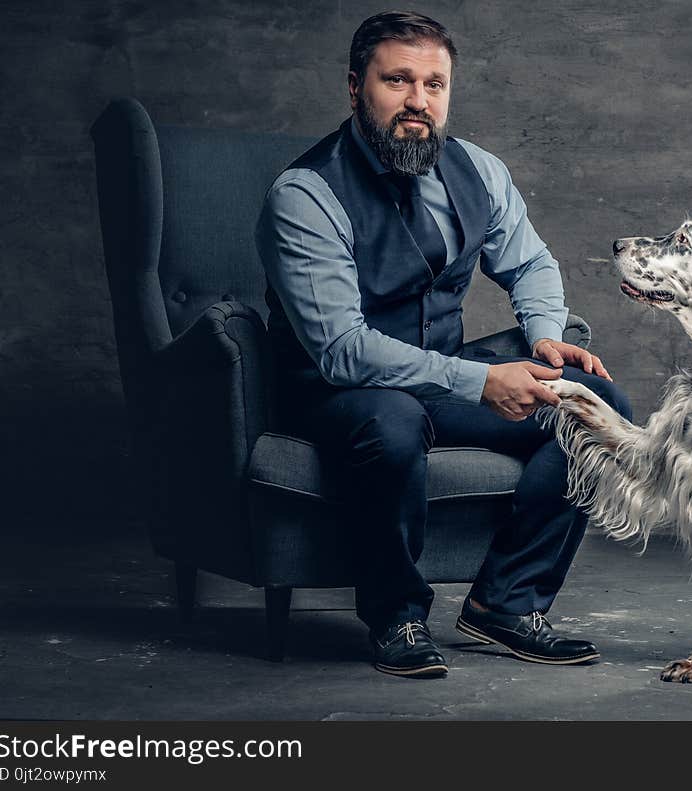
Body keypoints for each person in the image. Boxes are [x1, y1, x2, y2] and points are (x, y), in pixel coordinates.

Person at [255, 10, 632, 678]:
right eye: (397, 80)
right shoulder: (306, 194)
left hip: (444, 380)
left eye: (434, 84)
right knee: (394, 421)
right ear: (354, 87)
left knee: (594, 406)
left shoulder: (477, 170)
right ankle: (396, 615)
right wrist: (482, 381)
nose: (418, 102)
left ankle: (507, 603)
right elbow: (342, 349)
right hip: (340, 391)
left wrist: (544, 337)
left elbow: (533, 265)